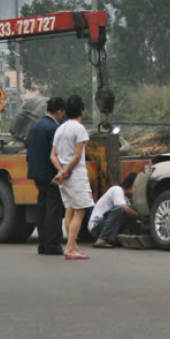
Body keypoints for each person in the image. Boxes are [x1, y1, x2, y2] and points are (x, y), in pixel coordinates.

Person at [51, 95, 94, 260]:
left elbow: (52, 155)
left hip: (64, 177)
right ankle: (69, 248)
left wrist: (61, 171)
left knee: (69, 210)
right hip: (75, 176)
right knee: (80, 212)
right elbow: (77, 156)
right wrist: (66, 171)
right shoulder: (79, 128)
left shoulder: (60, 128)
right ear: (82, 110)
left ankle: (73, 246)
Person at [27, 97, 66, 255]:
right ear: (58, 112)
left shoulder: (35, 126)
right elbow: (56, 154)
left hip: (37, 175)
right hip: (51, 175)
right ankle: (53, 244)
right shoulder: (54, 128)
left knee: (42, 209)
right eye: (62, 112)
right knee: (54, 210)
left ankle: (42, 244)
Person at [89, 173, 139, 248]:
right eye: (135, 188)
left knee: (131, 210)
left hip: (104, 225)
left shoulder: (125, 198)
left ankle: (116, 239)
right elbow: (124, 208)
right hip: (96, 227)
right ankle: (100, 239)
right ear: (131, 186)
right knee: (121, 209)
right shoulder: (117, 189)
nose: (136, 192)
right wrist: (140, 217)